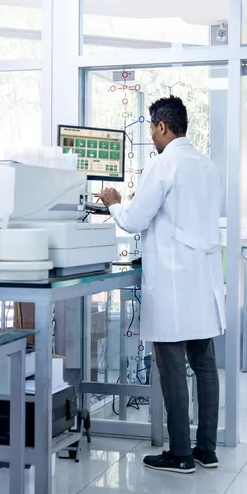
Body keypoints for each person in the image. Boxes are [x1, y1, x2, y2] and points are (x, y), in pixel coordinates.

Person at [97, 96, 225, 474]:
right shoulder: (207, 166)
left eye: (152, 128)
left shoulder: (163, 164)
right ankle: (207, 450)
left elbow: (135, 220)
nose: (151, 135)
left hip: (173, 281)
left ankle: (180, 454)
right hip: (203, 279)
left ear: (162, 127)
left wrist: (114, 203)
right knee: (204, 366)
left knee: (171, 368)